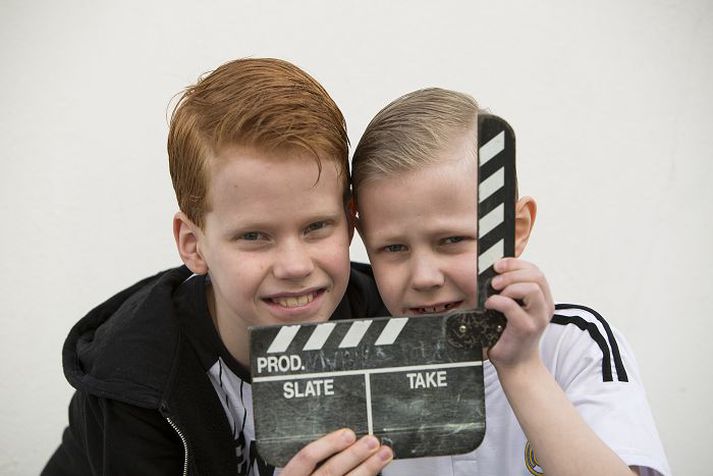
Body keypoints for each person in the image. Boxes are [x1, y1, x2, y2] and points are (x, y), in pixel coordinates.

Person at [42, 58, 394, 476]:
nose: (295, 266)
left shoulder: (395, 324)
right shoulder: (133, 379)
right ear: (194, 246)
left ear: (351, 220)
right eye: (253, 236)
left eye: (316, 227)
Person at [351, 88, 671, 475]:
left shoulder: (575, 346)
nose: (424, 277)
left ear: (515, 229)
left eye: (452, 241)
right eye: (393, 248)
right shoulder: (353, 367)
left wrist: (521, 367)